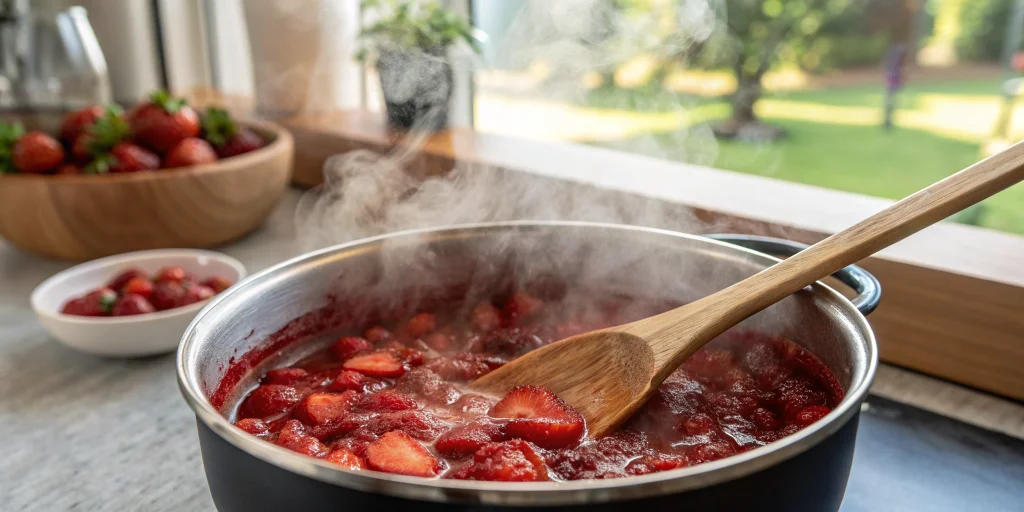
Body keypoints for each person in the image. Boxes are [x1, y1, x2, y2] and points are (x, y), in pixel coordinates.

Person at [883, 43, 907, 130]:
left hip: (891, 82)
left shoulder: (892, 60)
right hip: (892, 83)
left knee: (890, 102)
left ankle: (888, 120)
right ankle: (888, 121)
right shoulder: (896, 62)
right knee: (891, 102)